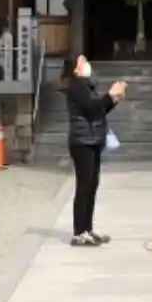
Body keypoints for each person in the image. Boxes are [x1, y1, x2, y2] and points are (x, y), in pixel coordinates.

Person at [63, 53, 126, 247]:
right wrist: (110, 95)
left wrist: (113, 100)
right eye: (83, 61)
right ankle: (79, 233)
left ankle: (87, 229)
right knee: (84, 186)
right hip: (82, 141)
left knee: (92, 185)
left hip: (92, 139)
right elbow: (92, 107)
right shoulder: (76, 86)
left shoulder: (86, 87)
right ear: (76, 68)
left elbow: (98, 110)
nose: (87, 64)